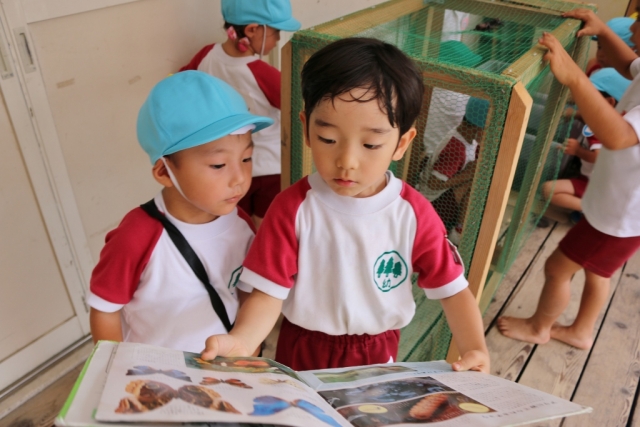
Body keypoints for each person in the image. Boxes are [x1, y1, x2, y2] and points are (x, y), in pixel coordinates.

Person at [202, 38, 490, 374]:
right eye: (328, 139)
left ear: (401, 144)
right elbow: (267, 294)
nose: (347, 161)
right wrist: (242, 340)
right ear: (307, 129)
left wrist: (474, 348)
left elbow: (454, 290)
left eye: (371, 144)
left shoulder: (412, 213)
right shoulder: (292, 209)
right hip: (302, 345)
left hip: (378, 348)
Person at [87, 71, 273, 353]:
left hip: (226, 367)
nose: (240, 178)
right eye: (218, 165)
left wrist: (250, 345)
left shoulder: (241, 223)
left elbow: (245, 291)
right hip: (159, 378)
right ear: (165, 171)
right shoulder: (136, 237)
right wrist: (117, 367)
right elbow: (104, 309)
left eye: (246, 158)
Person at [497, 18, 640, 350]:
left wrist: (574, 77)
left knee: (558, 268)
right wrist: (603, 32)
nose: (632, 31)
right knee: (598, 272)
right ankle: (580, 332)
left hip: (618, 216)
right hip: (619, 208)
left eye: (639, 23)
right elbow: (630, 63)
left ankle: (538, 327)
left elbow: (619, 136)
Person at [180, 0, 301, 229]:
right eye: (275, 33)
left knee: (237, 226)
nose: (276, 41)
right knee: (267, 226)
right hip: (271, 168)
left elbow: (182, 84)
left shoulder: (206, 56)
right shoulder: (262, 73)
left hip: (229, 168)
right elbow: (297, 106)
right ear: (253, 29)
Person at [542, 68, 630, 219]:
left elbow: (598, 156)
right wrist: (576, 114)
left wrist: (577, 151)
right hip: (602, 181)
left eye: (588, 97)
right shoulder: (616, 120)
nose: (581, 100)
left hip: (597, 185)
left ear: (609, 102)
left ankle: (595, 209)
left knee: (548, 190)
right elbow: (590, 118)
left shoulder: (602, 129)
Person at [420, 97, 489, 244]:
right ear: (479, 128)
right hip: (433, 204)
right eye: (488, 130)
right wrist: (467, 175)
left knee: (476, 174)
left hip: (442, 197)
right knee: (473, 181)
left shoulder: (465, 138)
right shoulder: (457, 149)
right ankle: (458, 233)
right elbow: (434, 183)